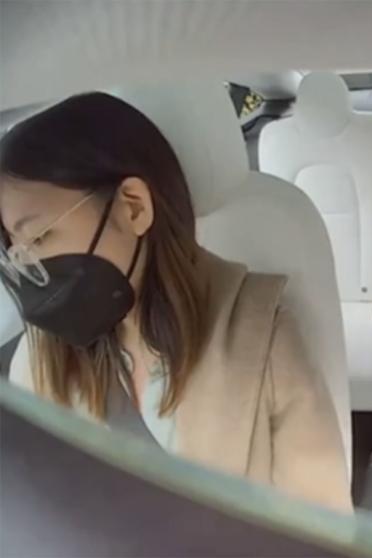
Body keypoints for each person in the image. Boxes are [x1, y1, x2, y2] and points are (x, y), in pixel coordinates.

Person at [0, 92, 351, 512]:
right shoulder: (40, 357)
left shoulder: (263, 341)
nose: (29, 267)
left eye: (39, 237)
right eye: (14, 249)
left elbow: (320, 526)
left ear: (133, 208)